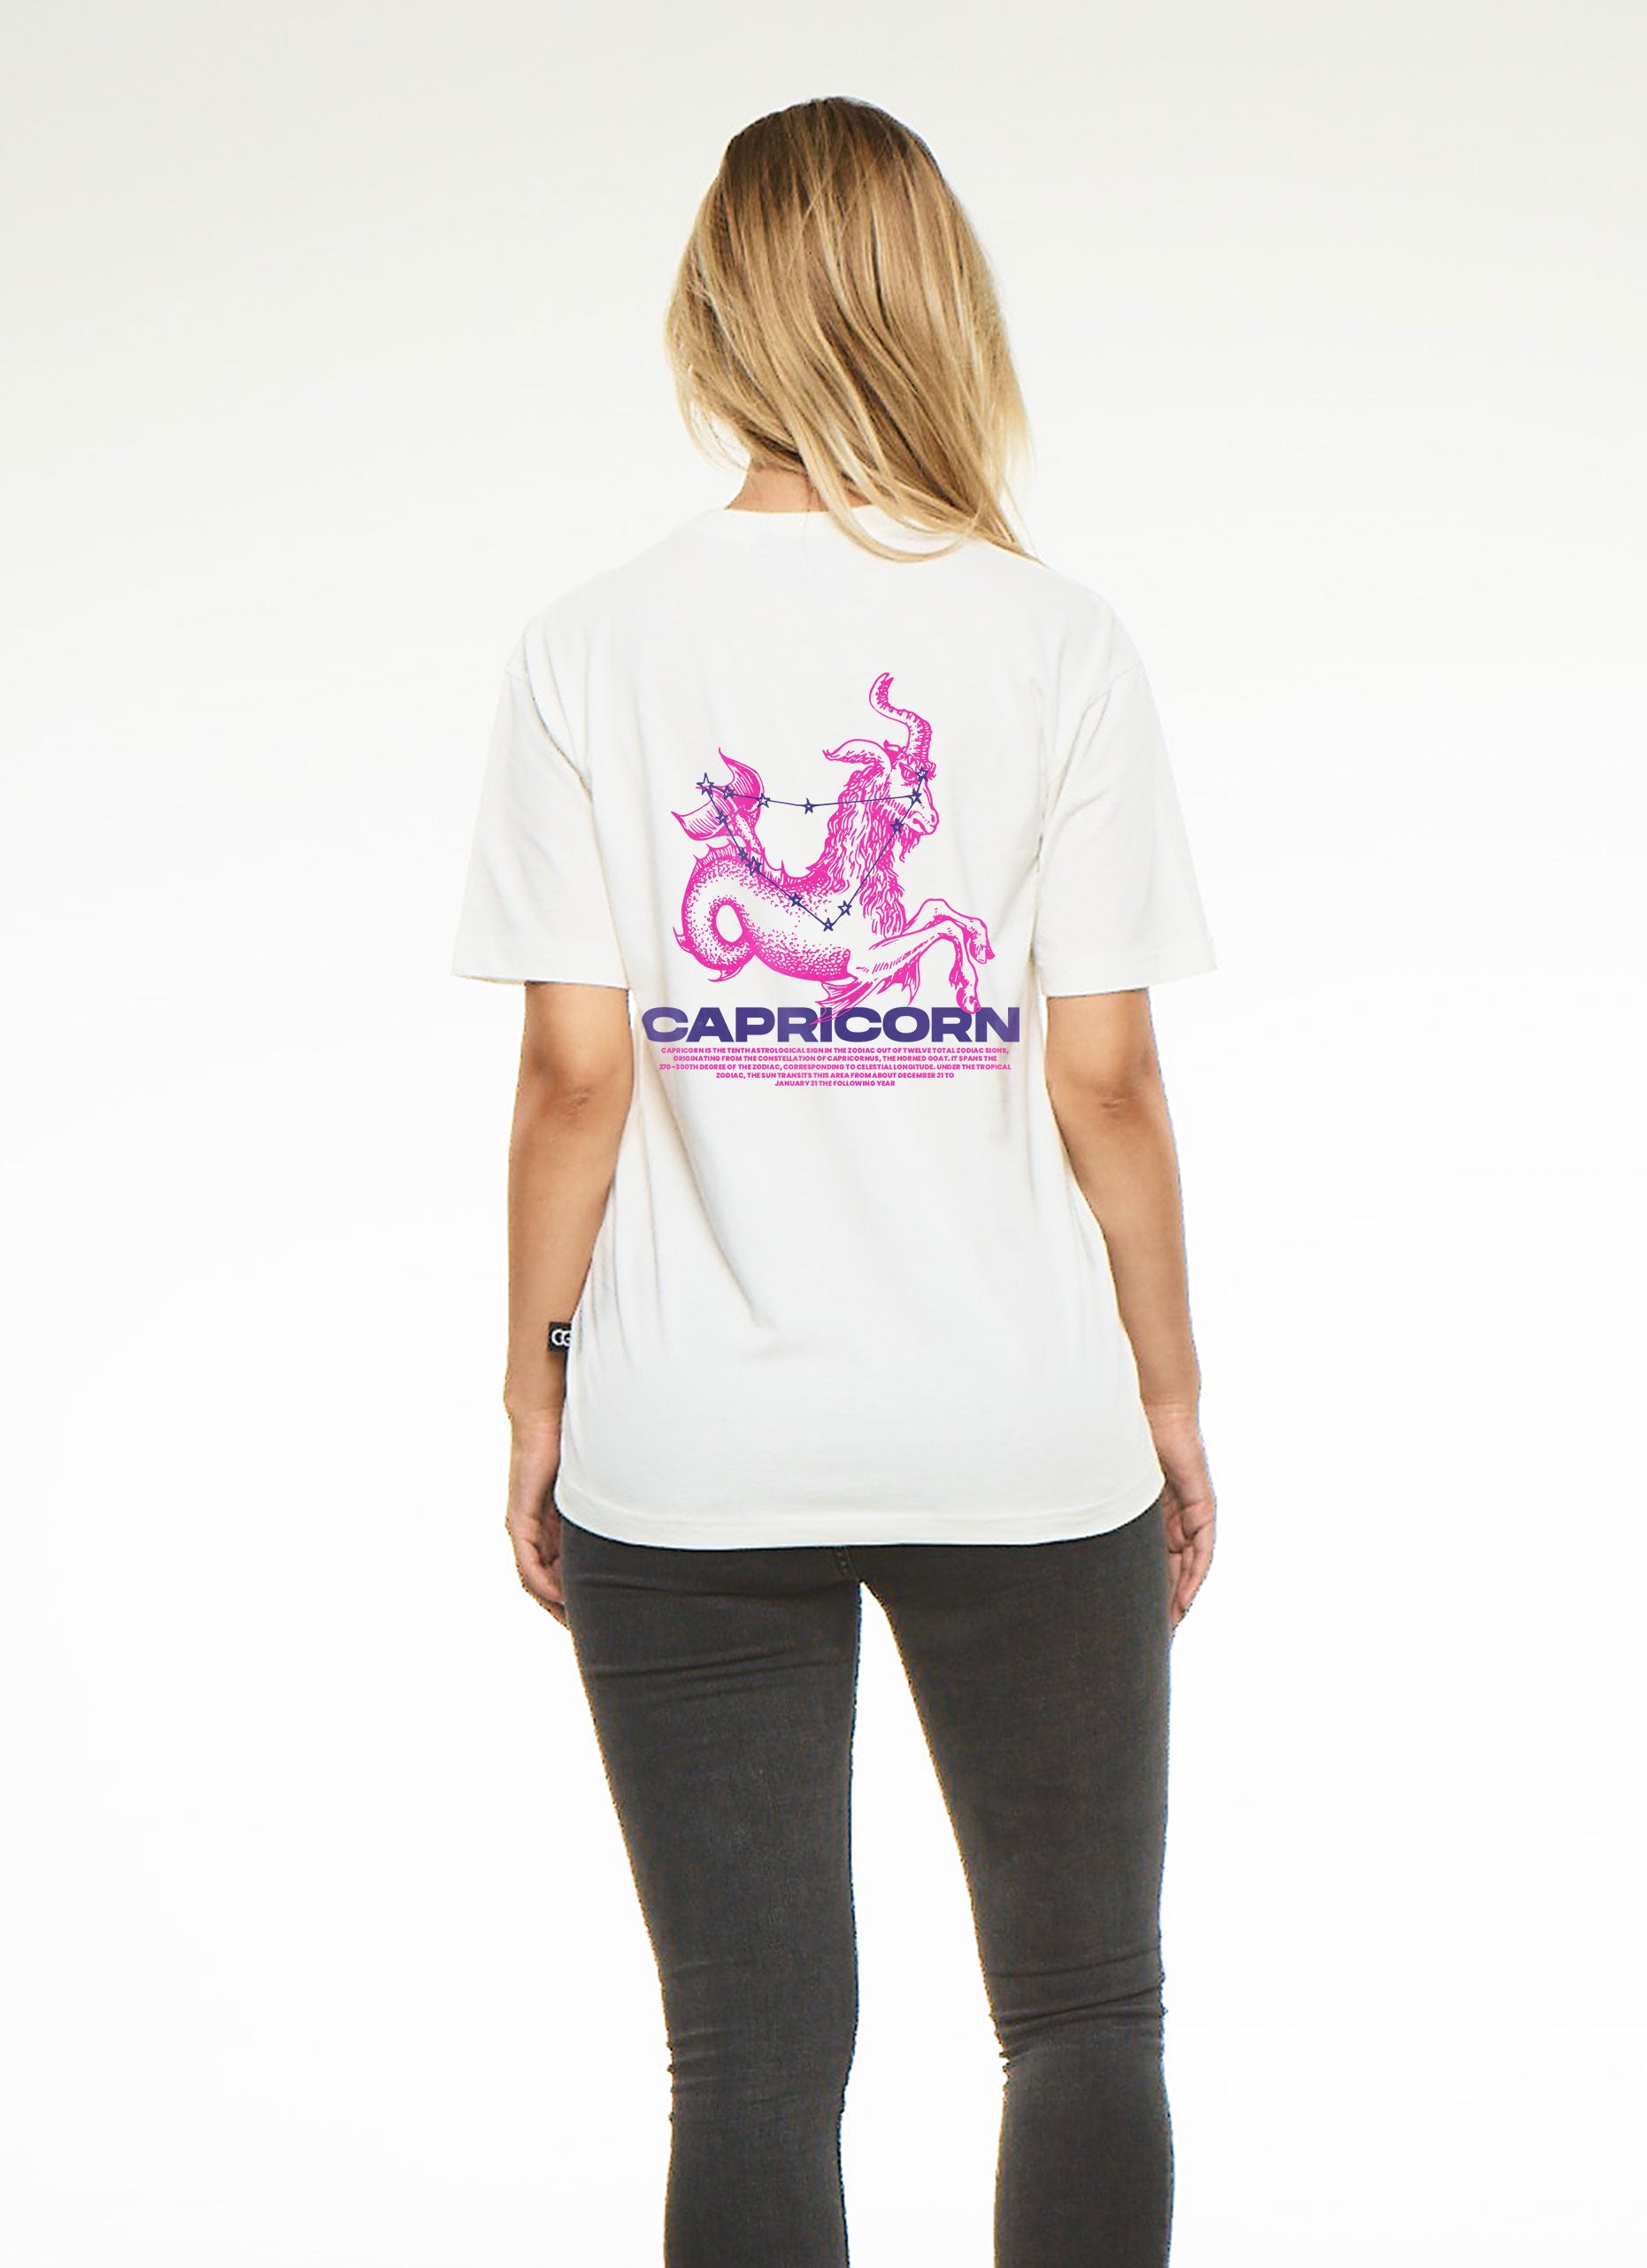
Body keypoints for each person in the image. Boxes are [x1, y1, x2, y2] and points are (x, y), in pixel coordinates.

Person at [450, 94, 1219, 2268]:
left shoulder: (589, 643)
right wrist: (1168, 1395)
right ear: (937, 307)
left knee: (753, 2062)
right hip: (1020, 1429)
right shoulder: (1056, 640)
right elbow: (1107, 1081)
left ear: (714, 312)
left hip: (691, 1446)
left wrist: (536, 1388)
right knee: (1082, 2011)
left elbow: (574, 1073)